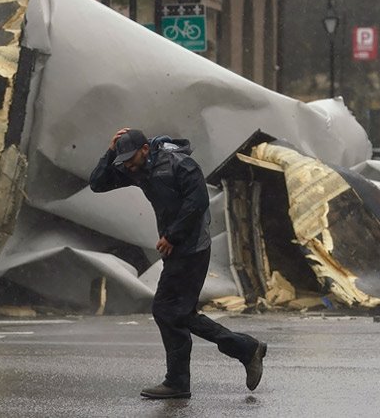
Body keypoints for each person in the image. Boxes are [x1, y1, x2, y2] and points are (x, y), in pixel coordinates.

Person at [89, 127, 267, 400]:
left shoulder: (179, 164)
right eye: (123, 159)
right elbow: (98, 183)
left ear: (145, 149)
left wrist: (173, 236)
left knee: (170, 311)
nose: (127, 164)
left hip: (193, 247)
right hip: (176, 248)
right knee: (175, 312)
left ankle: (233, 354)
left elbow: (197, 202)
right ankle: (192, 375)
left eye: (130, 157)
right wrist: (111, 151)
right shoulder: (137, 168)